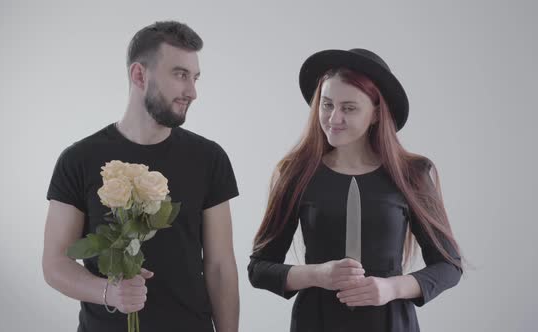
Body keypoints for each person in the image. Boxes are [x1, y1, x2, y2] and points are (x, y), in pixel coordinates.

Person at [42, 21, 239, 332]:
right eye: (180, 75)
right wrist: (109, 292)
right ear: (139, 75)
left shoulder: (209, 158)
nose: (192, 91)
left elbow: (220, 268)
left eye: (195, 77)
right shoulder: (78, 159)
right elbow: (55, 264)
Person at [247, 48, 462, 331]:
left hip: (390, 322)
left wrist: (391, 288)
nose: (334, 118)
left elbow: (449, 267)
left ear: (375, 114)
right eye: (327, 105)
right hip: (317, 322)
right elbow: (259, 268)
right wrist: (317, 274)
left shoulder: (412, 175)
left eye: (349, 108)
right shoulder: (295, 174)